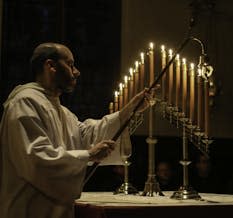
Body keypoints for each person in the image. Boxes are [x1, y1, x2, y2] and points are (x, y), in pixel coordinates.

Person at [0, 42, 151, 218]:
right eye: (70, 64)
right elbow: (36, 159)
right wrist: (88, 155)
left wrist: (128, 111)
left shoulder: (60, 110)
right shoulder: (25, 103)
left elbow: (85, 136)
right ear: (50, 66)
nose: (76, 71)